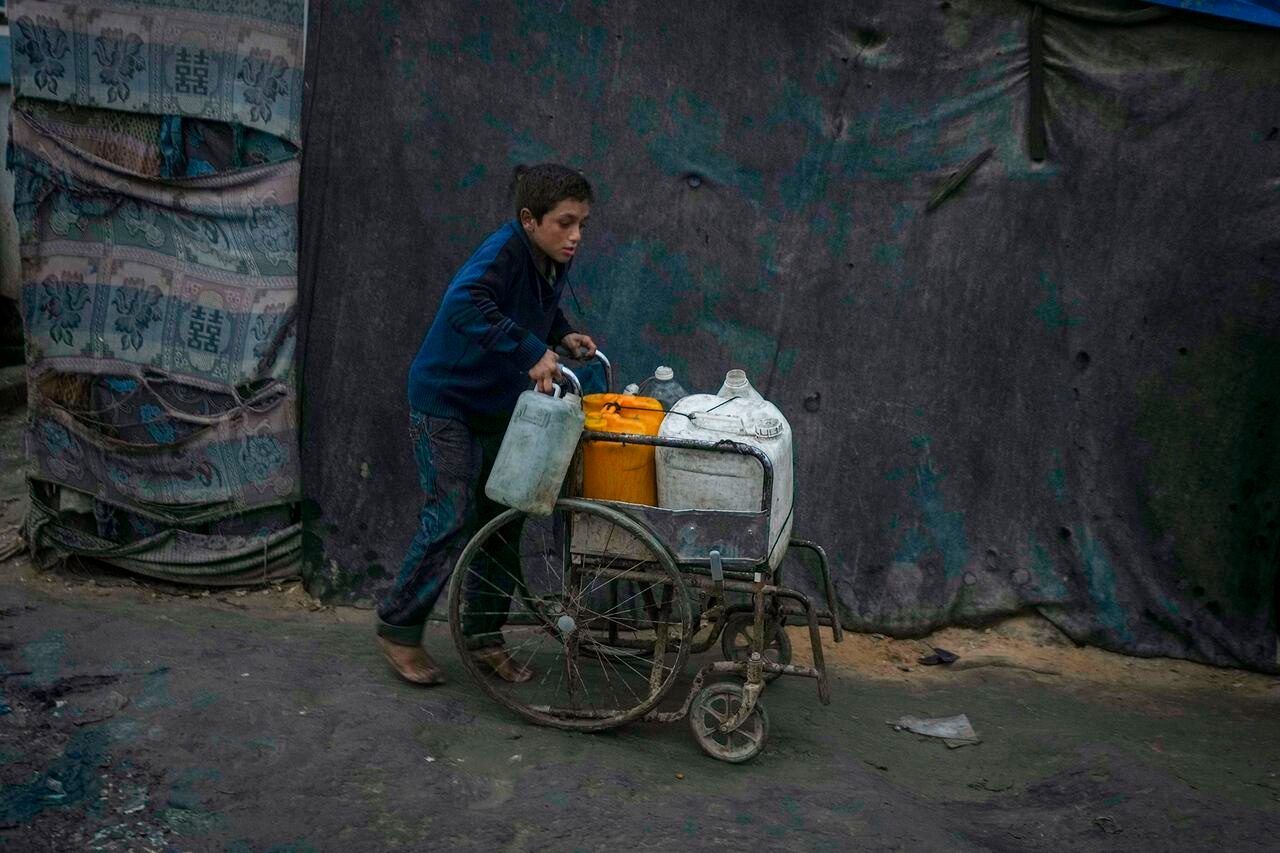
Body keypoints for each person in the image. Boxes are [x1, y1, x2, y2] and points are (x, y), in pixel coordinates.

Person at [376, 163, 597, 685]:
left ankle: (483, 636)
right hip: (446, 403)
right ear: (529, 220)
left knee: (506, 518)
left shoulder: (549, 259)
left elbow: (530, 308)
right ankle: (398, 629)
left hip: (498, 407)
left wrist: (561, 335)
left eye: (582, 223)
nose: (576, 236)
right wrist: (528, 350)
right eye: (565, 223)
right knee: (451, 516)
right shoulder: (502, 252)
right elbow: (465, 303)